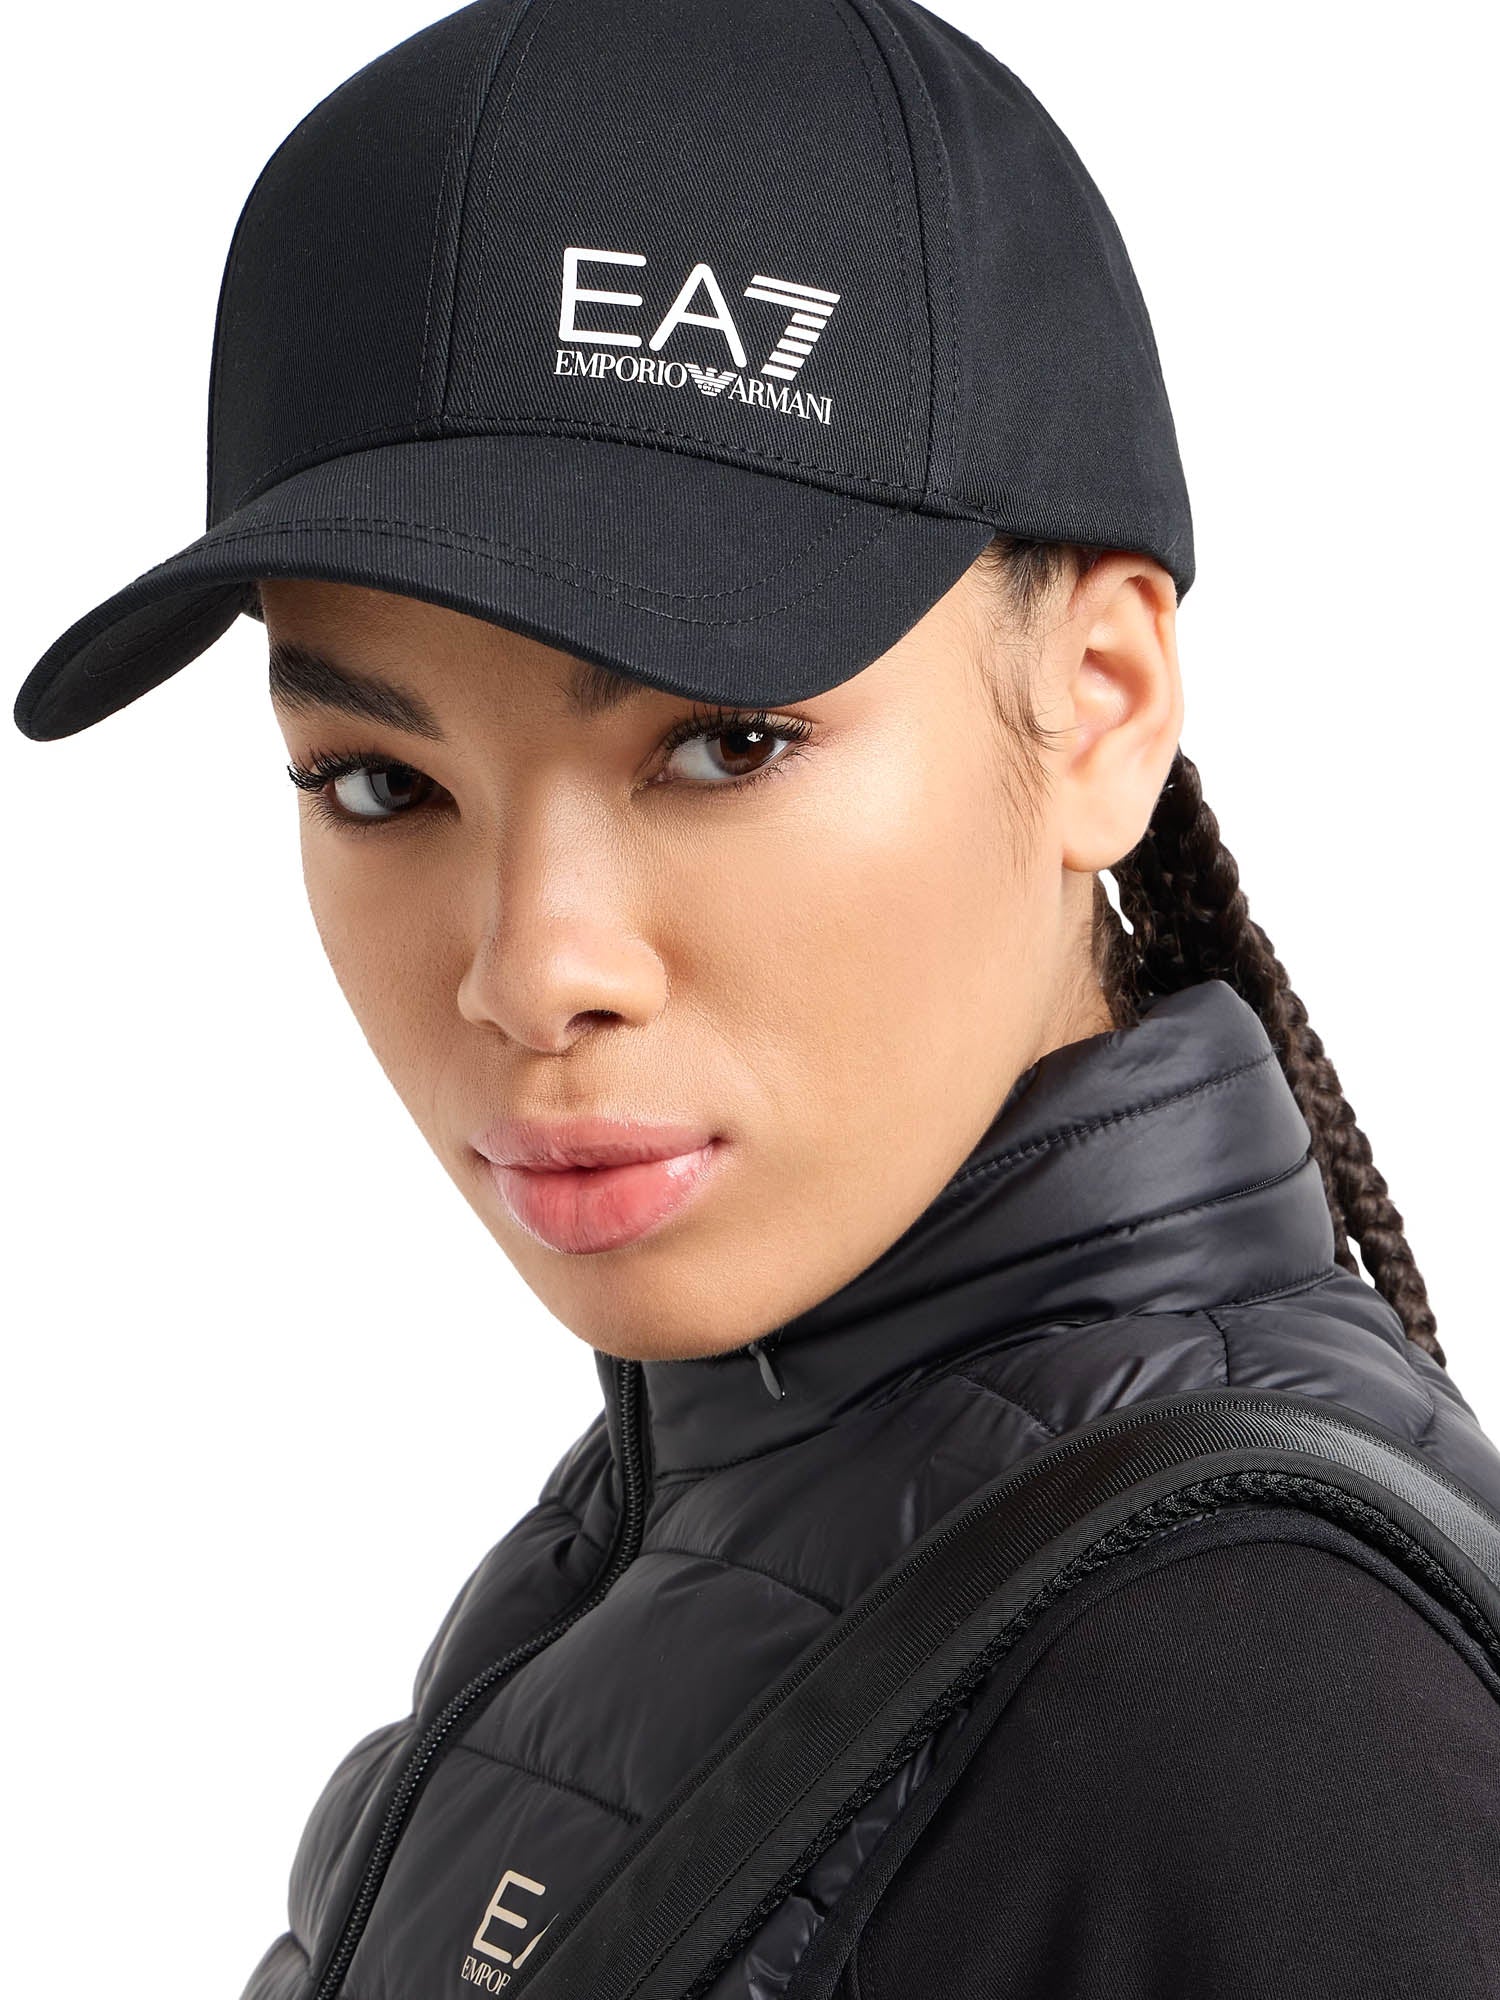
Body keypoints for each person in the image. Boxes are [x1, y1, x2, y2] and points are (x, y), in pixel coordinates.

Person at [15, 1, 1500, 1996]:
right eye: (379, 782)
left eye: (722, 746)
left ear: (1101, 706)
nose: (530, 969)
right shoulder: (722, 1511)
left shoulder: (1267, 1708)